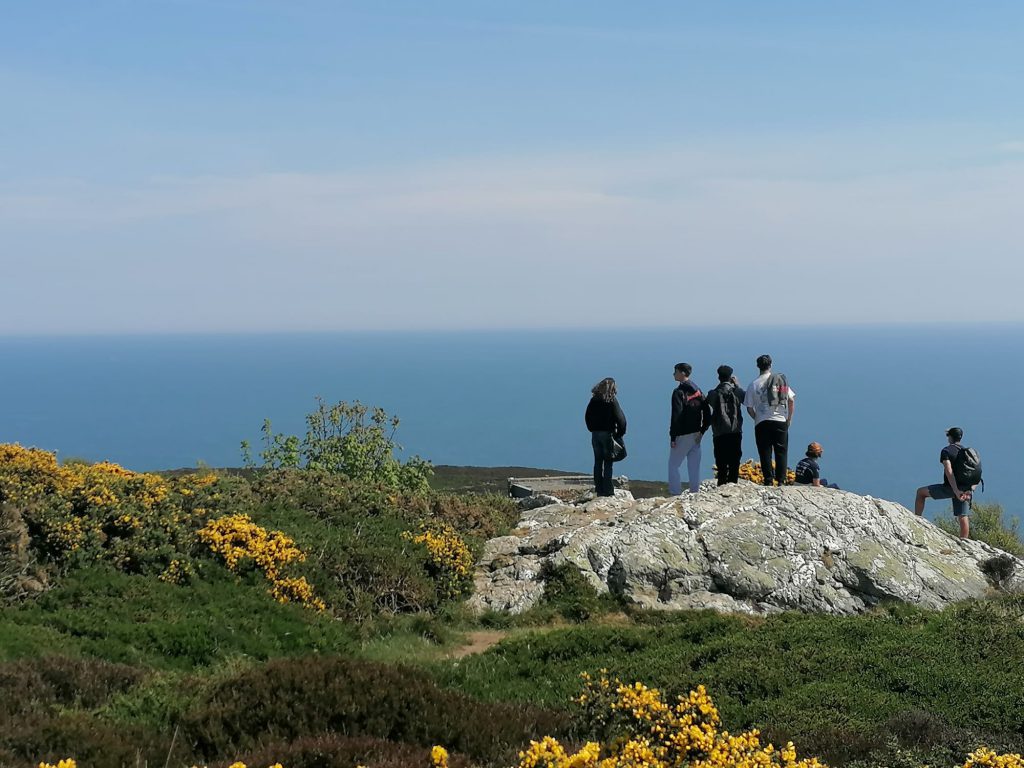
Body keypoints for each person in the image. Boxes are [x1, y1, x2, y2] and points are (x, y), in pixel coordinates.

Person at [914, 426, 975, 538]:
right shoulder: (968, 452)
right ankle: (965, 543)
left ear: (950, 437)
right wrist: (970, 489)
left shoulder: (946, 451)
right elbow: (977, 471)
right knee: (963, 516)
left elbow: (948, 470)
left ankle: (916, 521)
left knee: (920, 493)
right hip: (966, 489)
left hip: (951, 488)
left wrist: (955, 490)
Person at [745, 354, 796, 486]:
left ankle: (768, 480)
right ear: (771, 365)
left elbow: (749, 408)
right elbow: (791, 400)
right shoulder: (779, 380)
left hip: (762, 422)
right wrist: (789, 419)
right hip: (780, 420)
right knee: (781, 451)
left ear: (758, 366)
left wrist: (757, 418)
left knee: (765, 451)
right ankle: (781, 480)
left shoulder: (753, 385)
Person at [668, 363, 712, 495]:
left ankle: (675, 494)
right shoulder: (698, 390)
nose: (673, 374)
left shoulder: (678, 392)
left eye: (675, 371)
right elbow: (708, 412)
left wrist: (673, 437)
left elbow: (676, 416)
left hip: (683, 434)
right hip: (696, 434)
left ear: (682, 373)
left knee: (673, 465)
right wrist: (702, 431)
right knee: (694, 466)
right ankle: (695, 493)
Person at [585, 377, 627, 497]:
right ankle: (608, 490)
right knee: (608, 462)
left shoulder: (593, 400)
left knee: (598, 462)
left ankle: (599, 489)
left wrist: (592, 429)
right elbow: (621, 420)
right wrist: (619, 433)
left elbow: (587, 417)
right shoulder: (611, 401)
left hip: (595, 435)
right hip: (608, 434)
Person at [705, 365, 744, 486]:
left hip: (719, 432)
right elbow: (745, 397)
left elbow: (708, 402)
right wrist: (737, 384)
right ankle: (733, 484)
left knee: (721, 461)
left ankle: (721, 483)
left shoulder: (713, 393)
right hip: (735, 431)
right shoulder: (737, 392)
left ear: (719, 377)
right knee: (734, 460)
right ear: (730, 377)